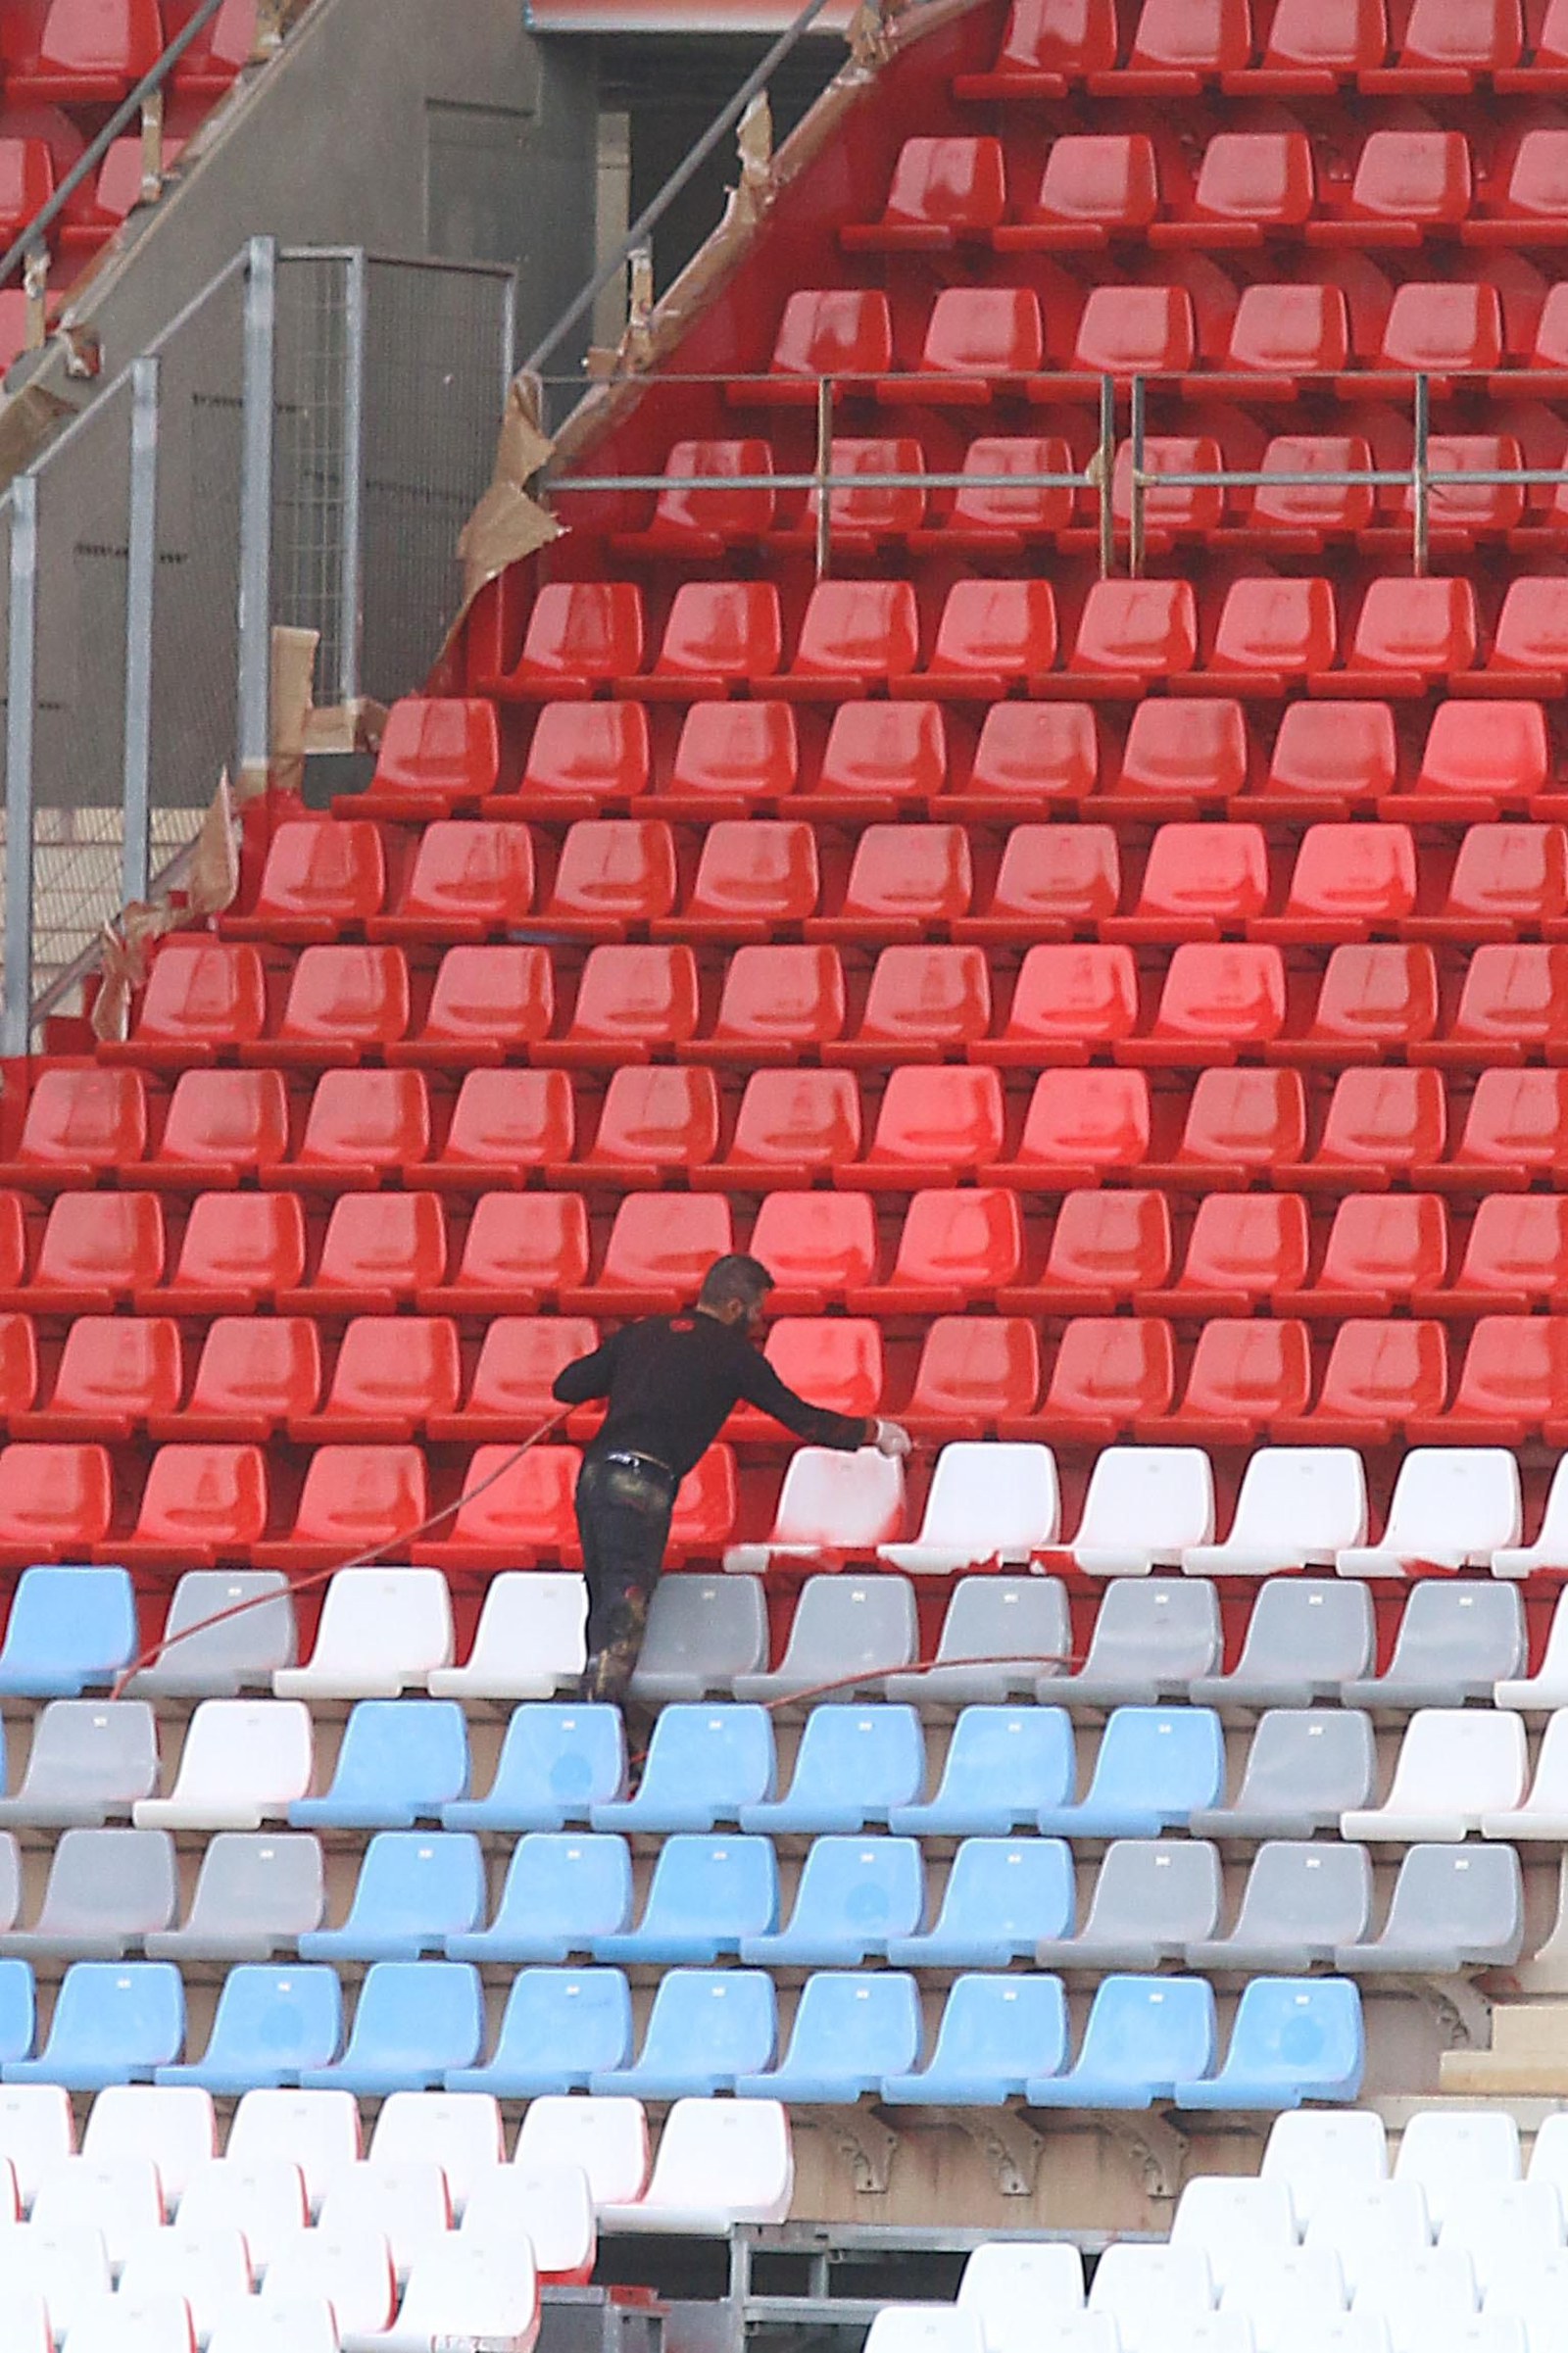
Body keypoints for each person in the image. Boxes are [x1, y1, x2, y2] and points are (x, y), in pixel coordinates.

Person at [551, 1252, 911, 1706]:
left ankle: (600, 1719)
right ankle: (597, 1724)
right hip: (643, 1481)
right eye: (758, 1309)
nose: (759, 1321)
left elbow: (567, 1386)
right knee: (625, 1611)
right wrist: (873, 1432)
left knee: (601, 1602)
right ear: (736, 1306)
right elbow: (804, 1421)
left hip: (595, 1475)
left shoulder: (643, 1332)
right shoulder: (733, 1354)